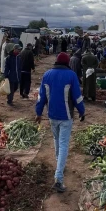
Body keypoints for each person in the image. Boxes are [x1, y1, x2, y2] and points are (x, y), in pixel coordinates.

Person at [36, 53, 85, 193]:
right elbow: (77, 97)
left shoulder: (47, 74)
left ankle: (60, 165)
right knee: (63, 144)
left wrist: (38, 113)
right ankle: (58, 177)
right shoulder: (71, 75)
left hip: (52, 115)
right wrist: (82, 111)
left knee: (57, 140)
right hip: (66, 116)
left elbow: (41, 96)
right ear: (67, 63)